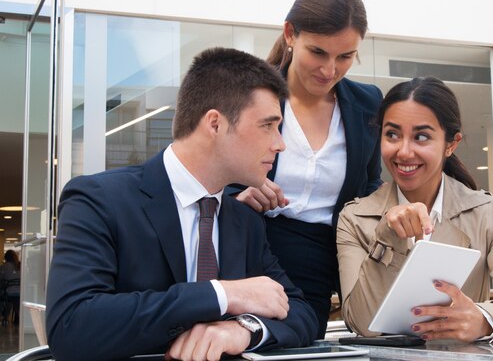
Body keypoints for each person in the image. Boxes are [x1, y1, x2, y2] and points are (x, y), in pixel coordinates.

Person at [46, 47, 317, 361]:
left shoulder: (245, 221)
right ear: (214, 124)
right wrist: (223, 294)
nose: (280, 143)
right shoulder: (99, 200)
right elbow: (72, 326)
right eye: (268, 125)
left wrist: (246, 329)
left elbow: (301, 313)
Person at [337, 77, 493, 342]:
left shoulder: (486, 214)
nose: (403, 151)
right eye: (392, 134)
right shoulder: (355, 219)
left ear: (451, 144)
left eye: (421, 137)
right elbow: (361, 323)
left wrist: (483, 320)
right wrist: (387, 237)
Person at [233, 0, 383, 339]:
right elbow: (207, 173)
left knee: (298, 344)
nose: (330, 70)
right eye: (318, 52)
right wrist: (237, 194)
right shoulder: (247, 93)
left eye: (345, 56)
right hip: (247, 250)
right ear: (290, 34)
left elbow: (371, 184)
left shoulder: (367, 104)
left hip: (318, 262)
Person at [0, 250, 20, 325]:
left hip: (9, 293)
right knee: (15, 300)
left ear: (6, 257)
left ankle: (4, 316)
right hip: (21, 293)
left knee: (4, 296)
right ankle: (17, 316)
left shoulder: (4, 267)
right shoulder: (20, 265)